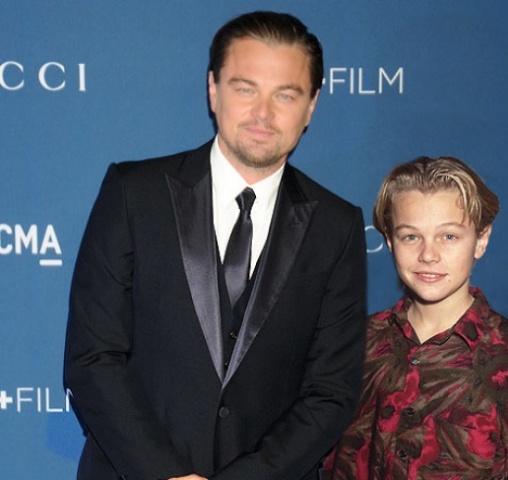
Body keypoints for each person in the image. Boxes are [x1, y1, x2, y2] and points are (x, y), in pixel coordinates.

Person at [64, 11, 367, 480]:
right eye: (245, 89)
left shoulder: (337, 226)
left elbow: (331, 392)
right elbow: (93, 359)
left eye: (285, 95)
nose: (263, 113)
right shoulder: (134, 194)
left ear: (311, 106)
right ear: (213, 89)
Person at [326, 157, 508, 479]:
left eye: (449, 236)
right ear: (389, 241)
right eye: (411, 236)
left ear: (481, 240)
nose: (428, 254)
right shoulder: (353, 343)